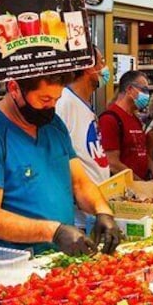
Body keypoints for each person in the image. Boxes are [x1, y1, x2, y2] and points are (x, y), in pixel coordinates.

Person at [0, 74, 122, 256]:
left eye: (56, 99)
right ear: (14, 89)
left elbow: (80, 183)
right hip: (11, 263)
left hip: (59, 258)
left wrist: (102, 210)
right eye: (45, 99)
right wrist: (53, 232)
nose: (51, 106)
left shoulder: (54, 125)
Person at [55, 49, 111, 228]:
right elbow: (58, 158)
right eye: (101, 62)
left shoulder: (85, 103)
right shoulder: (64, 102)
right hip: (79, 217)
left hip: (95, 207)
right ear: (88, 68)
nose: (104, 68)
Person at [99, 70, 153, 181]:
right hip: (124, 189)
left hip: (140, 187)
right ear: (129, 89)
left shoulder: (134, 118)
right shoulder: (109, 119)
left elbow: (142, 152)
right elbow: (112, 163)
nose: (147, 95)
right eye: (144, 90)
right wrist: (140, 183)